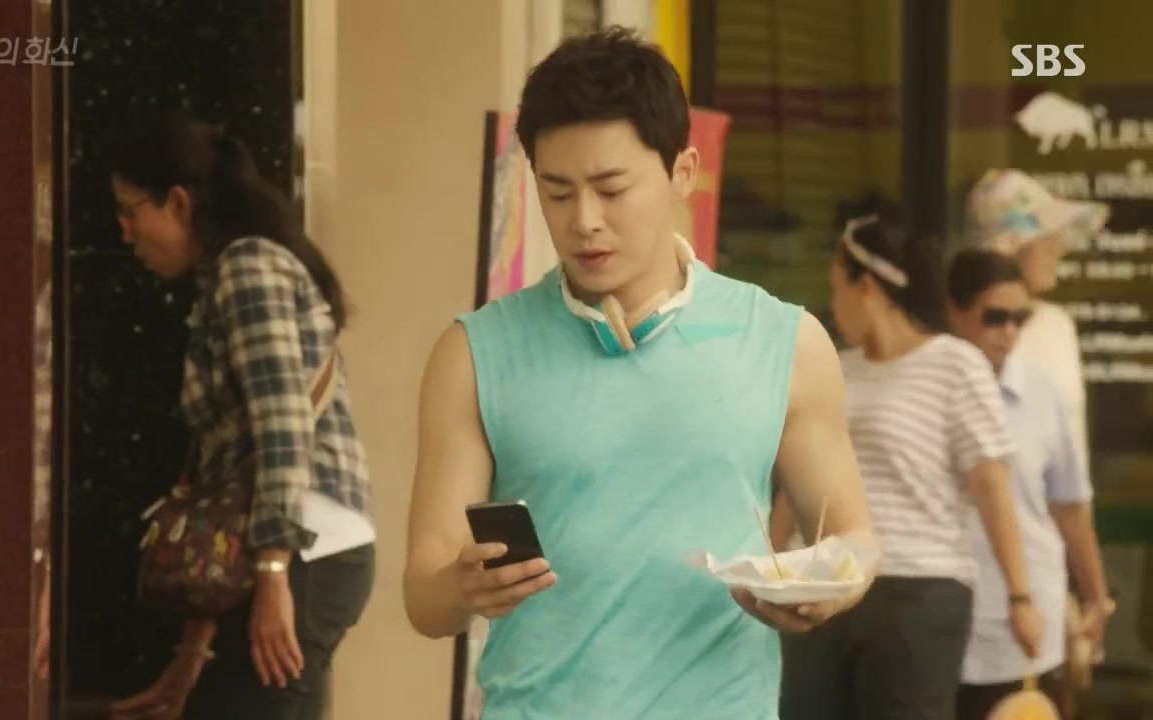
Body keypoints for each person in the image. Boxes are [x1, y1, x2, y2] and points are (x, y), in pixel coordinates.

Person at [403, 28, 875, 719]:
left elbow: (853, 538)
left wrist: (824, 587)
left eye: (611, 188)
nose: (585, 221)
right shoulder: (473, 353)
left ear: (683, 171)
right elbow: (424, 595)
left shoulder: (785, 340)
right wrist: (461, 587)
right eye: (557, 192)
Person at [107, 111, 374, 720]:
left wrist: (275, 572)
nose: (124, 230)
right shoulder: (228, 276)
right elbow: (229, 474)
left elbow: (281, 424)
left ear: (178, 202)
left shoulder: (247, 268)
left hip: (301, 551)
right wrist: (192, 656)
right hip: (291, 551)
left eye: (129, 210)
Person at [771, 216, 1040, 720]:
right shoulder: (836, 368)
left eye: (837, 289)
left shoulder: (955, 364)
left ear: (867, 287)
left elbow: (992, 488)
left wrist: (1021, 596)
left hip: (918, 590)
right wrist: (768, 563)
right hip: (822, 585)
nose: (833, 304)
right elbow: (798, 480)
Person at [966, 168, 1115, 706]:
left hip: (1041, 574)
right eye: (1045, 237)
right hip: (1001, 589)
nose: (1058, 249)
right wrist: (1092, 591)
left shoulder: (1053, 326)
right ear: (1013, 247)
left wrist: (1087, 589)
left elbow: (1067, 480)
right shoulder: (1030, 335)